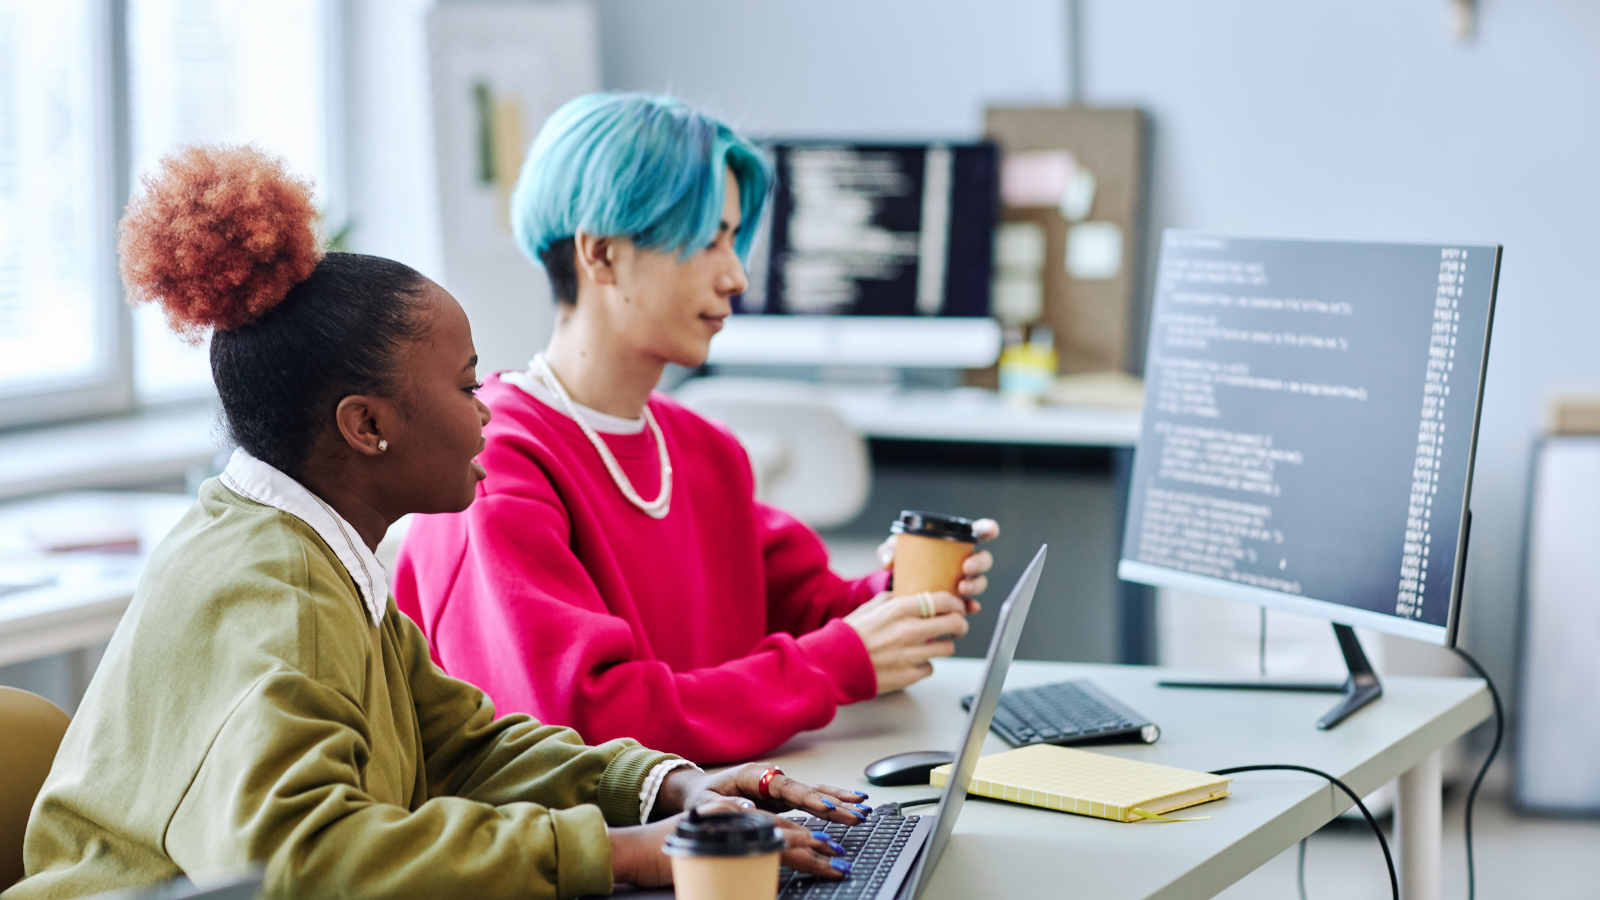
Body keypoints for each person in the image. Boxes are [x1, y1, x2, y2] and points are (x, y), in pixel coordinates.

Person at [7, 145, 864, 900]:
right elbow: (302, 863)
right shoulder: (280, 594)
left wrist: (668, 790)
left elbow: (460, 744)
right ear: (367, 426)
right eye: (464, 384)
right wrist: (622, 854)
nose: (487, 409)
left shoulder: (311, 549)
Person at [394, 93, 999, 765]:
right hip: (599, 853)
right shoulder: (495, 465)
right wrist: (838, 663)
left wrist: (901, 598)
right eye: (708, 240)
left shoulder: (702, 450)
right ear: (601, 255)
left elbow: (811, 610)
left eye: (734, 241)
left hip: (717, 816)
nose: (736, 275)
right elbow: (587, 727)